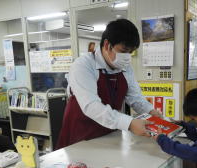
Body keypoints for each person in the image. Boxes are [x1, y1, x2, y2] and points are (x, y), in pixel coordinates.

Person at [57, 19, 161, 149]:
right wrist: (129, 124)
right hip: (81, 135)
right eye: (124, 50)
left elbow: (135, 97)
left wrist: (151, 111)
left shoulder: (125, 67)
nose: (127, 56)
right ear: (107, 45)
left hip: (110, 133)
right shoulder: (83, 65)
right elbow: (91, 106)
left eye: (131, 52)